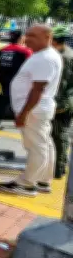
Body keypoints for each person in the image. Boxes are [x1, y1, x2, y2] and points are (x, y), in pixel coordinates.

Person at [0, 25, 62, 196]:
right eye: (27, 35)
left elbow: (38, 89)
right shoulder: (44, 55)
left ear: (47, 37)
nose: (27, 39)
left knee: (36, 147)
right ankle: (43, 180)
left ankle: (27, 184)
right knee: (44, 143)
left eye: (33, 35)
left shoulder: (45, 58)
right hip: (38, 109)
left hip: (34, 110)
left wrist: (24, 113)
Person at [0, 31, 32, 125]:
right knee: (18, 100)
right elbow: (32, 65)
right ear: (21, 38)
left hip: (3, 79)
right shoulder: (25, 51)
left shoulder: (1, 51)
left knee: (6, 99)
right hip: (18, 80)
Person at [51, 26, 73, 179]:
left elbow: (62, 84)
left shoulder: (64, 57)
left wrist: (57, 104)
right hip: (66, 100)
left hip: (63, 102)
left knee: (59, 135)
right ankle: (60, 166)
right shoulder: (67, 53)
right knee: (59, 134)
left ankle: (58, 169)